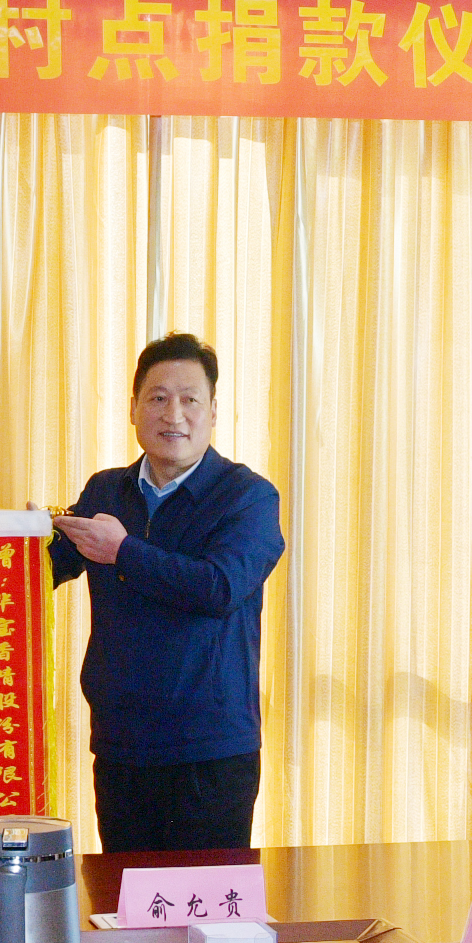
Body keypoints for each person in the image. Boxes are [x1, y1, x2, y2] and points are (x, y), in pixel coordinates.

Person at [48, 333, 285, 852]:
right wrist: (8, 539)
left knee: (207, 901)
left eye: (189, 399)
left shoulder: (248, 497)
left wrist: (123, 551)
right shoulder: (106, 490)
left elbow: (219, 587)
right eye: (157, 398)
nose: (173, 414)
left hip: (211, 751)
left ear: (214, 411)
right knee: (126, 896)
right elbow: (44, 569)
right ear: (133, 409)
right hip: (122, 745)